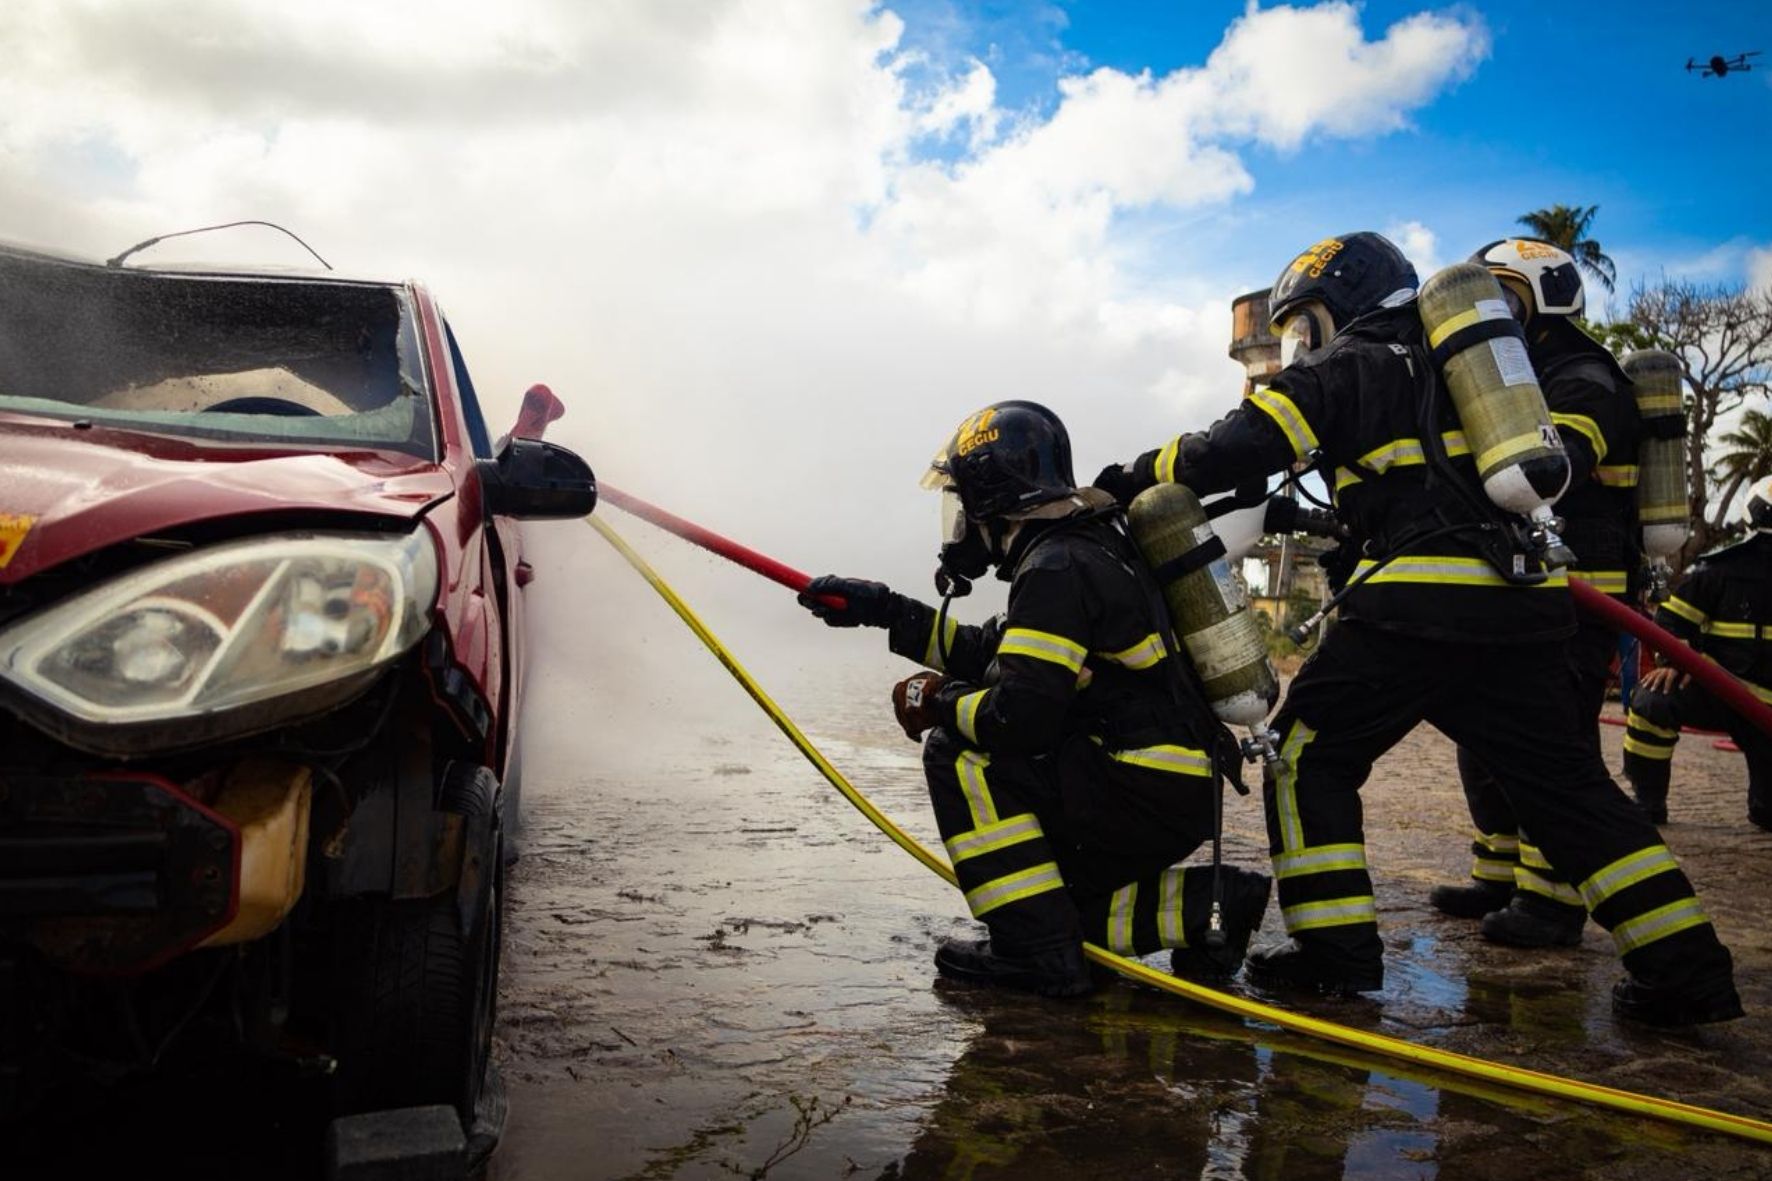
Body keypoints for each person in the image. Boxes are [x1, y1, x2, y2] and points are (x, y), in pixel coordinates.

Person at [1093, 231, 1741, 1026]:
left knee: (1306, 756)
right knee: (1566, 787)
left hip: (1416, 600)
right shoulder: (1478, 363)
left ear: (1342, 303)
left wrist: (1127, 478)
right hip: (1524, 601)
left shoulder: (1355, 359)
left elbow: (1237, 447)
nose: (1302, 344)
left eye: (1305, 324)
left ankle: (1335, 956)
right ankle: (1687, 971)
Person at [797, 400, 1271, 998]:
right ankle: (1211, 906)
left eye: (960, 503)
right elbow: (993, 653)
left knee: (957, 752)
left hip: (1138, 786)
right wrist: (885, 611)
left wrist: (939, 703)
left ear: (989, 495)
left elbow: (1018, 718)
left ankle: (1035, 956)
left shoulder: (1055, 567)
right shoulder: (1087, 546)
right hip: (1170, 787)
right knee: (1057, 906)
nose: (959, 524)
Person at [1426, 239, 1642, 950]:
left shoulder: (1586, 377)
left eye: (1504, 294)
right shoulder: (1517, 375)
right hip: (1526, 588)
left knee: (1557, 748)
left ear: (1546, 297)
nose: (1491, 310)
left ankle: (1553, 902)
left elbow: (1557, 465)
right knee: (1485, 738)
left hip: (1581, 593)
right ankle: (1498, 875)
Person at [1623, 474, 1772, 832]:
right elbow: (1671, 622)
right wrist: (1675, 660)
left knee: (1768, 813)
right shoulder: (1717, 573)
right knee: (1653, 702)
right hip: (1721, 691)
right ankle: (1648, 802)